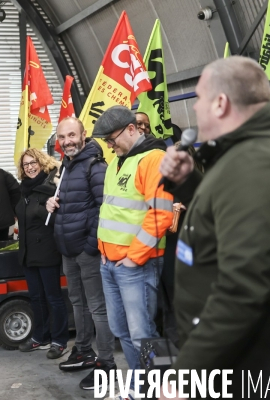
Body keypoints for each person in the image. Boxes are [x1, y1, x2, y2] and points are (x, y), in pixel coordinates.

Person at [158, 56, 270, 398]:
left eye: (199, 98)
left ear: (220, 103)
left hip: (251, 363)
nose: (196, 108)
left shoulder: (258, 162)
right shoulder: (246, 153)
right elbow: (223, 216)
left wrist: (186, 374)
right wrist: (189, 181)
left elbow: (244, 287)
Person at [90, 105, 173, 399]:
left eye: (112, 139)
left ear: (131, 129)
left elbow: (160, 214)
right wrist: (104, 250)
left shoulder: (154, 159)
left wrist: (132, 258)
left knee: (144, 333)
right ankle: (140, 386)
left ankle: (160, 389)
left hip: (137, 264)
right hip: (111, 263)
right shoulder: (117, 162)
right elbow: (112, 210)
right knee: (121, 329)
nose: (109, 146)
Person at [45, 117, 116, 389]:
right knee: (78, 302)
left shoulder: (95, 167)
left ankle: (107, 363)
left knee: (97, 307)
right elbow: (71, 202)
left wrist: (90, 246)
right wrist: (52, 202)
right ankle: (84, 350)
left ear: (83, 135)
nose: (66, 142)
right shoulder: (67, 165)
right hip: (68, 250)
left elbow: (103, 209)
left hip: (87, 250)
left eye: (71, 135)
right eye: (62, 138)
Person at [16, 148, 69, 359]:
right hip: (28, 253)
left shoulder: (51, 189)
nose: (29, 167)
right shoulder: (24, 191)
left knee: (53, 298)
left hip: (47, 252)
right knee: (36, 298)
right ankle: (40, 336)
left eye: (33, 163)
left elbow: (58, 219)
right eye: (25, 164)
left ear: (41, 162)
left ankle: (59, 340)